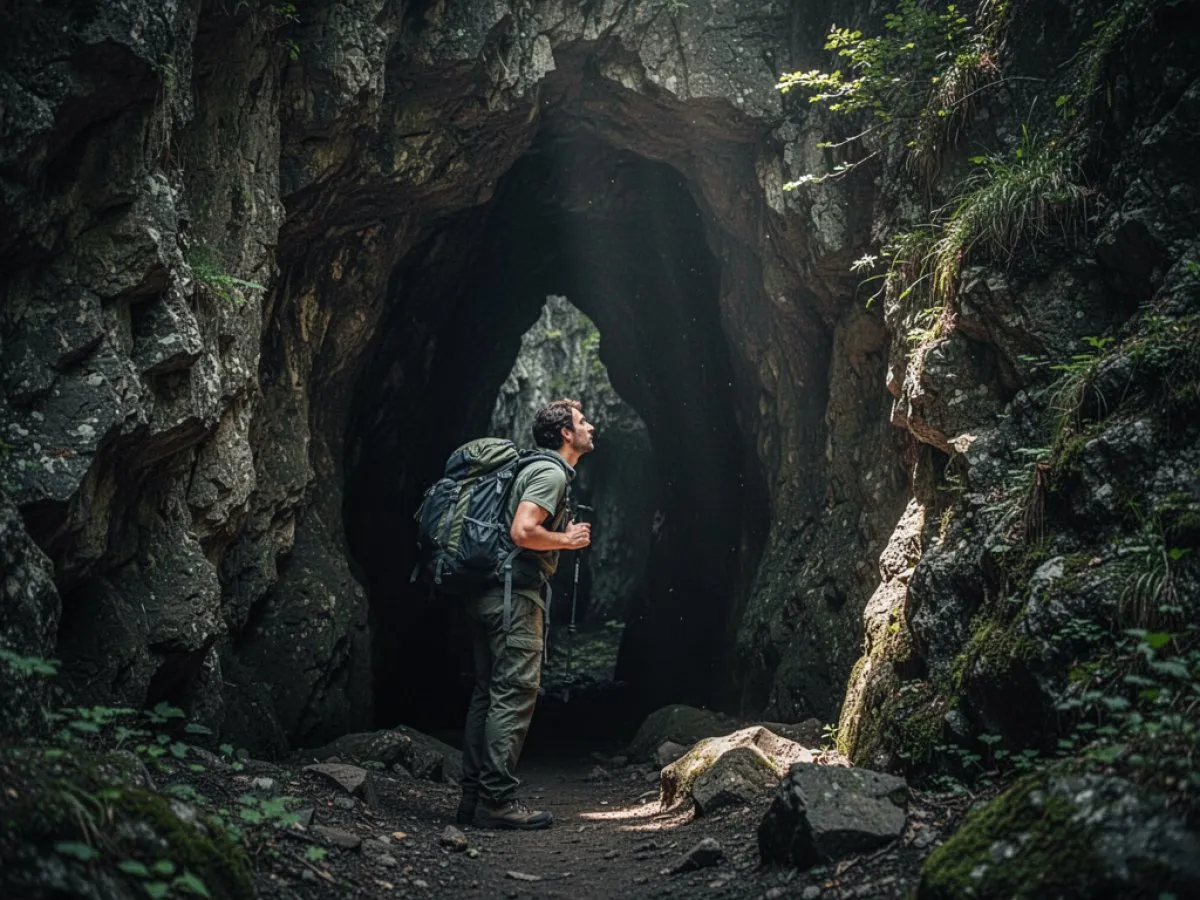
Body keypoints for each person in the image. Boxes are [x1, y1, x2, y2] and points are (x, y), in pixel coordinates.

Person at [457, 399, 595, 830]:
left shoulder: (527, 469)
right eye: (582, 421)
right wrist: (567, 540)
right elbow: (522, 530)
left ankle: (472, 799)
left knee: (487, 694)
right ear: (566, 434)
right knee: (513, 694)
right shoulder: (550, 473)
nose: (591, 426)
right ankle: (496, 801)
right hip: (513, 599)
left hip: (487, 594)